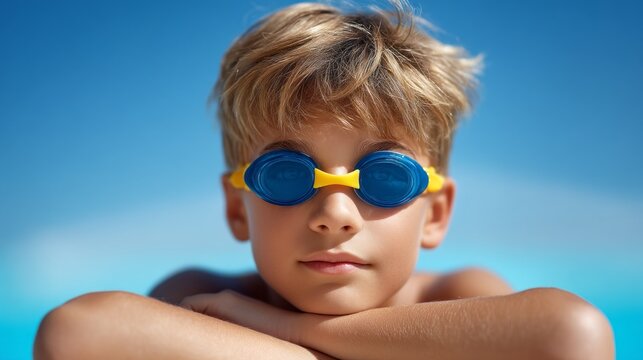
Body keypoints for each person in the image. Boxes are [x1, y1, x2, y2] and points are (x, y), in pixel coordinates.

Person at [34, 1, 615, 359]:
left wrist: (282, 328)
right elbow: (77, 334)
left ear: (435, 213)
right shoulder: (200, 291)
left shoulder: (457, 296)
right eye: (287, 176)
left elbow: (572, 335)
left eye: (385, 179)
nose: (335, 213)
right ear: (239, 209)